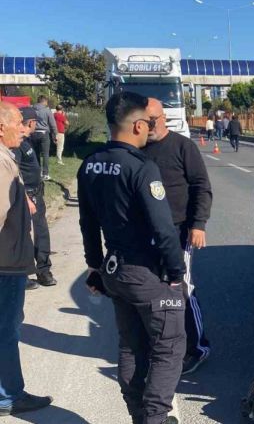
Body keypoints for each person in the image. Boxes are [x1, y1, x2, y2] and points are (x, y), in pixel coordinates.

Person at [77, 92, 185, 424]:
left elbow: (87, 222)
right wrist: (176, 271)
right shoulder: (141, 167)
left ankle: (139, 415)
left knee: (130, 347)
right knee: (169, 349)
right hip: (147, 273)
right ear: (138, 125)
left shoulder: (90, 164)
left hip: (114, 270)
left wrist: (95, 267)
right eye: (151, 123)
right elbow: (163, 228)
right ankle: (155, 419)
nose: (152, 128)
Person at [142, 98, 213, 375]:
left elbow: (201, 186)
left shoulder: (183, 147)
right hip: (145, 232)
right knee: (151, 289)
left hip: (178, 230)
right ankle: (163, 343)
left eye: (151, 121)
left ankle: (197, 347)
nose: (146, 127)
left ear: (162, 119)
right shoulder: (138, 150)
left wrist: (198, 224)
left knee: (181, 288)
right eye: (141, 121)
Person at [0, 101, 53, 417]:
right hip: (5, 264)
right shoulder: (2, 163)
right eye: (19, 122)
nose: (25, 129)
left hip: (7, 261)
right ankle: (9, 395)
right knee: (6, 330)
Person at [13, 107, 57, 289]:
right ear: (32, 123)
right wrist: (26, 198)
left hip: (36, 192)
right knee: (27, 235)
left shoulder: (27, 141)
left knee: (40, 233)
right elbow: (15, 174)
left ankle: (42, 270)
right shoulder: (17, 144)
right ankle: (25, 274)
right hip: (27, 195)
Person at [31, 95, 57, 180]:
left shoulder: (32, 109)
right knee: (45, 154)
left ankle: (37, 172)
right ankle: (45, 174)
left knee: (35, 153)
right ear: (44, 101)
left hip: (33, 133)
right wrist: (54, 135)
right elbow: (53, 124)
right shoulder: (47, 110)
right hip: (44, 133)